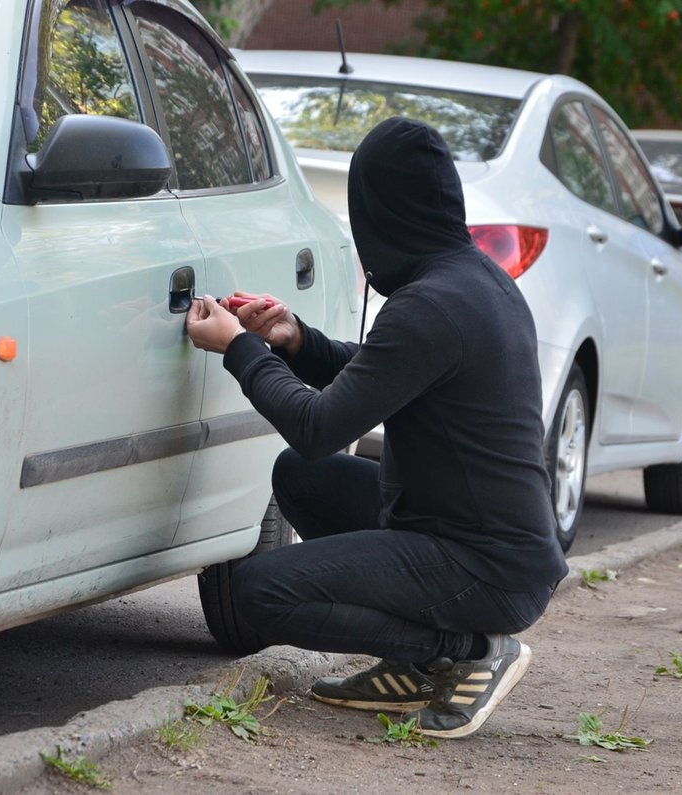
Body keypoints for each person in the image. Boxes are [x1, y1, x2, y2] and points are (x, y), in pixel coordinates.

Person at [184, 117, 568, 738]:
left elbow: (317, 427)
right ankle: (417, 666)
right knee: (301, 477)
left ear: (378, 213)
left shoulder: (431, 305)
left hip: (484, 566)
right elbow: (382, 373)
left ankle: (465, 651)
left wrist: (240, 349)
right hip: (473, 539)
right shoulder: (474, 282)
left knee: (261, 591)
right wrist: (294, 339)